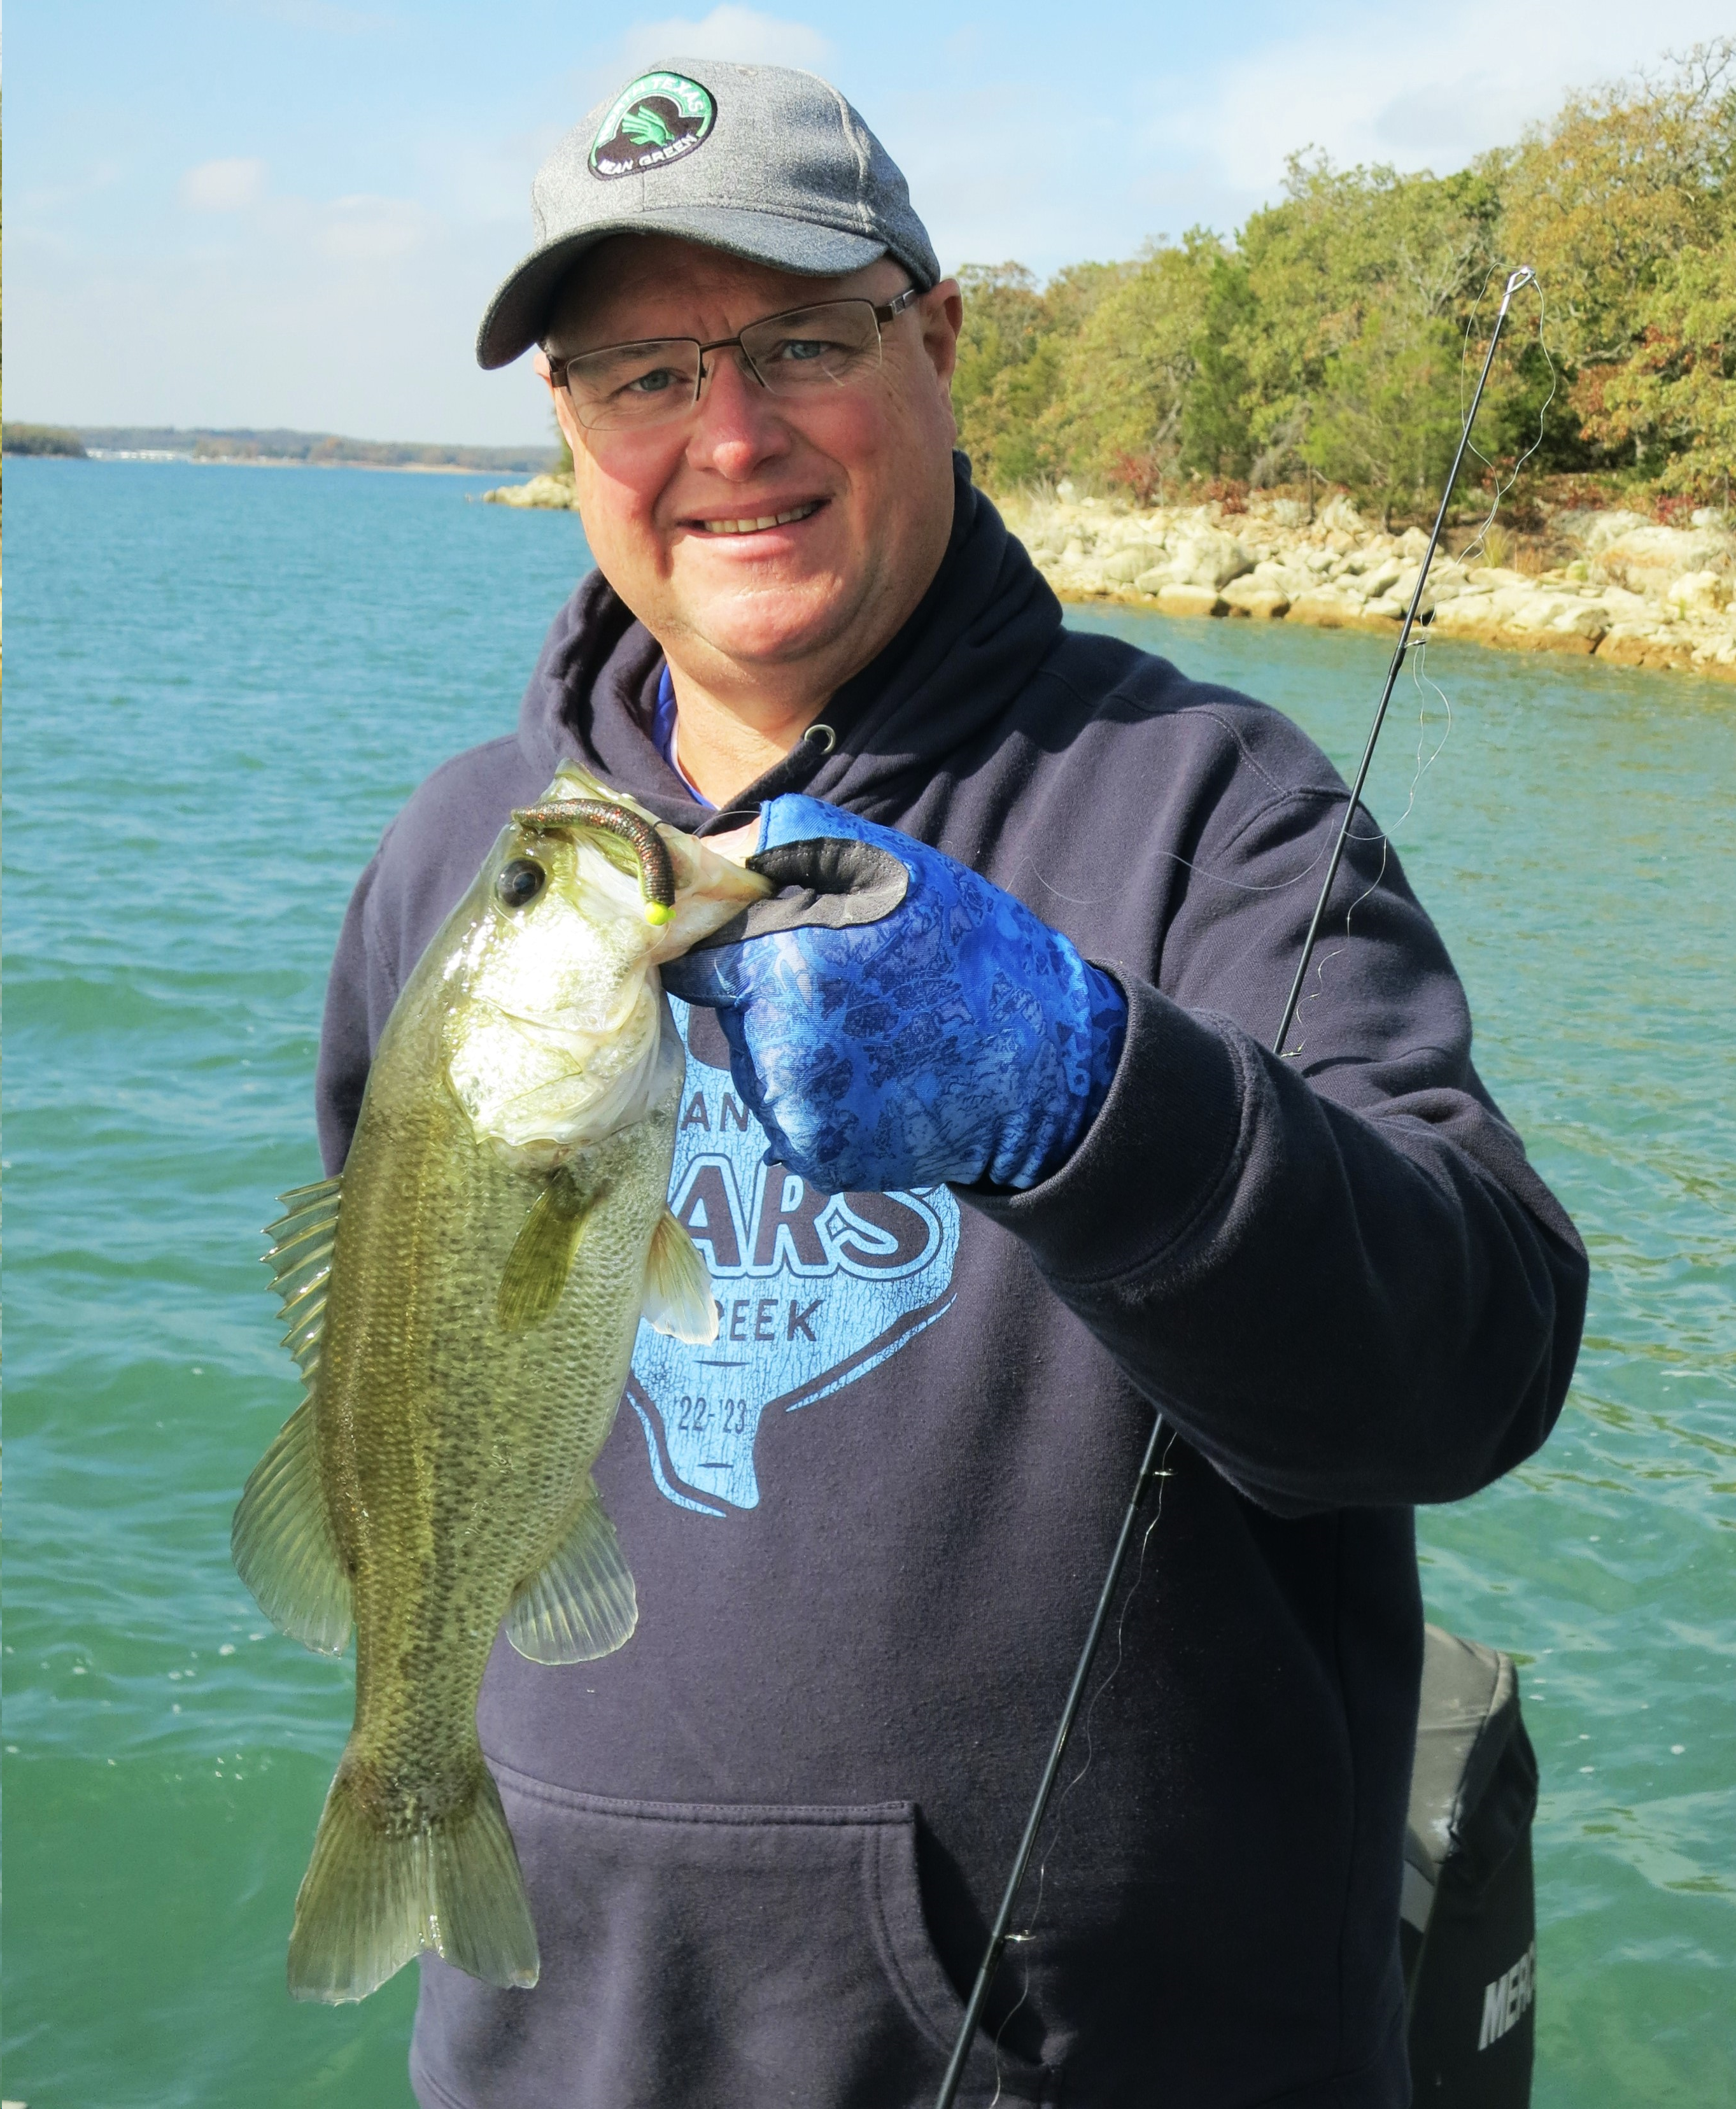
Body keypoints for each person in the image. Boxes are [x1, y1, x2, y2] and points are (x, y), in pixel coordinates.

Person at [315, 57, 1588, 2109]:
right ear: (565, 427)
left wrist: (1096, 1105)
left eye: (798, 343)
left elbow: (1479, 1368)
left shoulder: (1217, 815)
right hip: (565, 2043)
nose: (724, 437)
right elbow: (387, 1345)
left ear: (934, 341)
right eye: (637, 372)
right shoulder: (459, 855)